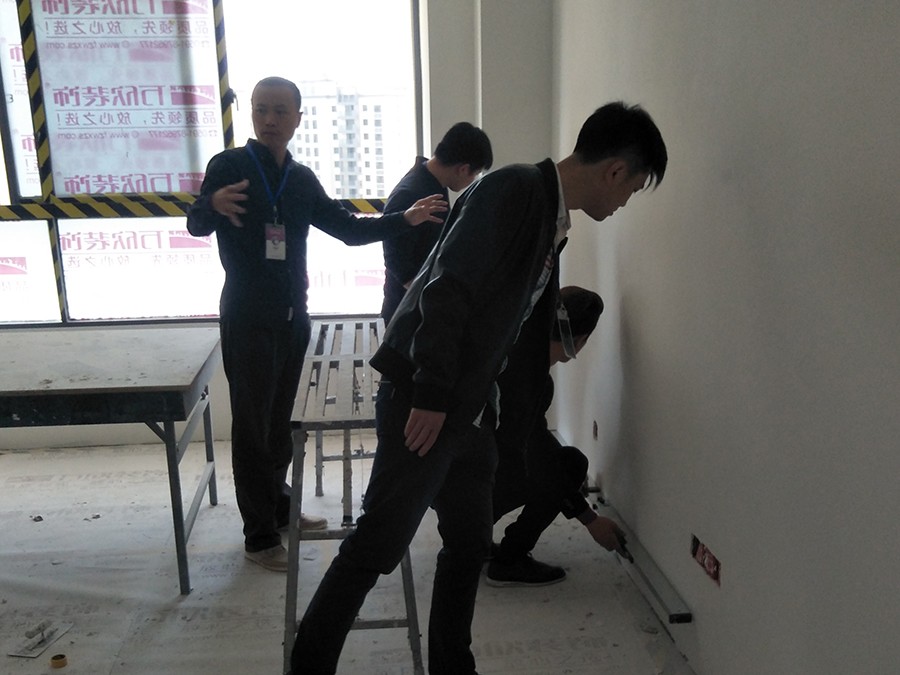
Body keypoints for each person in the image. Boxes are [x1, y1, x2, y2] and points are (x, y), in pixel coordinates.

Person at [289, 101, 667, 675]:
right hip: (428, 400)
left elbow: (505, 319)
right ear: (615, 170)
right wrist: (431, 395)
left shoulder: (550, 216)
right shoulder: (515, 190)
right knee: (376, 546)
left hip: (471, 410)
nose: (623, 203)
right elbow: (447, 290)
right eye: (632, 189)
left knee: (469, 546)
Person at [185, 76, 447, 573]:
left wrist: (404, 219)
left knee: (278, 425)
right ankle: (259, 537)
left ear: (298, 118)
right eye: (261, 109)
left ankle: (278, 508)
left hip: (293, 319)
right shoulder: (230, 166)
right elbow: (196, 224)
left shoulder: (301, 180)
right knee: (252, 429)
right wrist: (211, 206)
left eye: (280, 111)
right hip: (247, 318)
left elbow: (347, 230)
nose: (269, 120)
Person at [487, 285, 633, 587]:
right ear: (580, 341)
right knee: (569, 466)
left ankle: (472, 540)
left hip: (450, 475)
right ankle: (508, 562)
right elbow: (541, 458)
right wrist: (590, 520)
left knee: (555, 463)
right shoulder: (531, 380)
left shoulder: (515, 351)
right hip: (471, 482)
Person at [381, 122, 493, 323]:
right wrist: (436, 300)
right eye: (475, 174)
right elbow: (398, 264)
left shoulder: (433, 183)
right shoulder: (411, 194)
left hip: (420, 306)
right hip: (407, 313)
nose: (472, 181)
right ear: (463, 169)